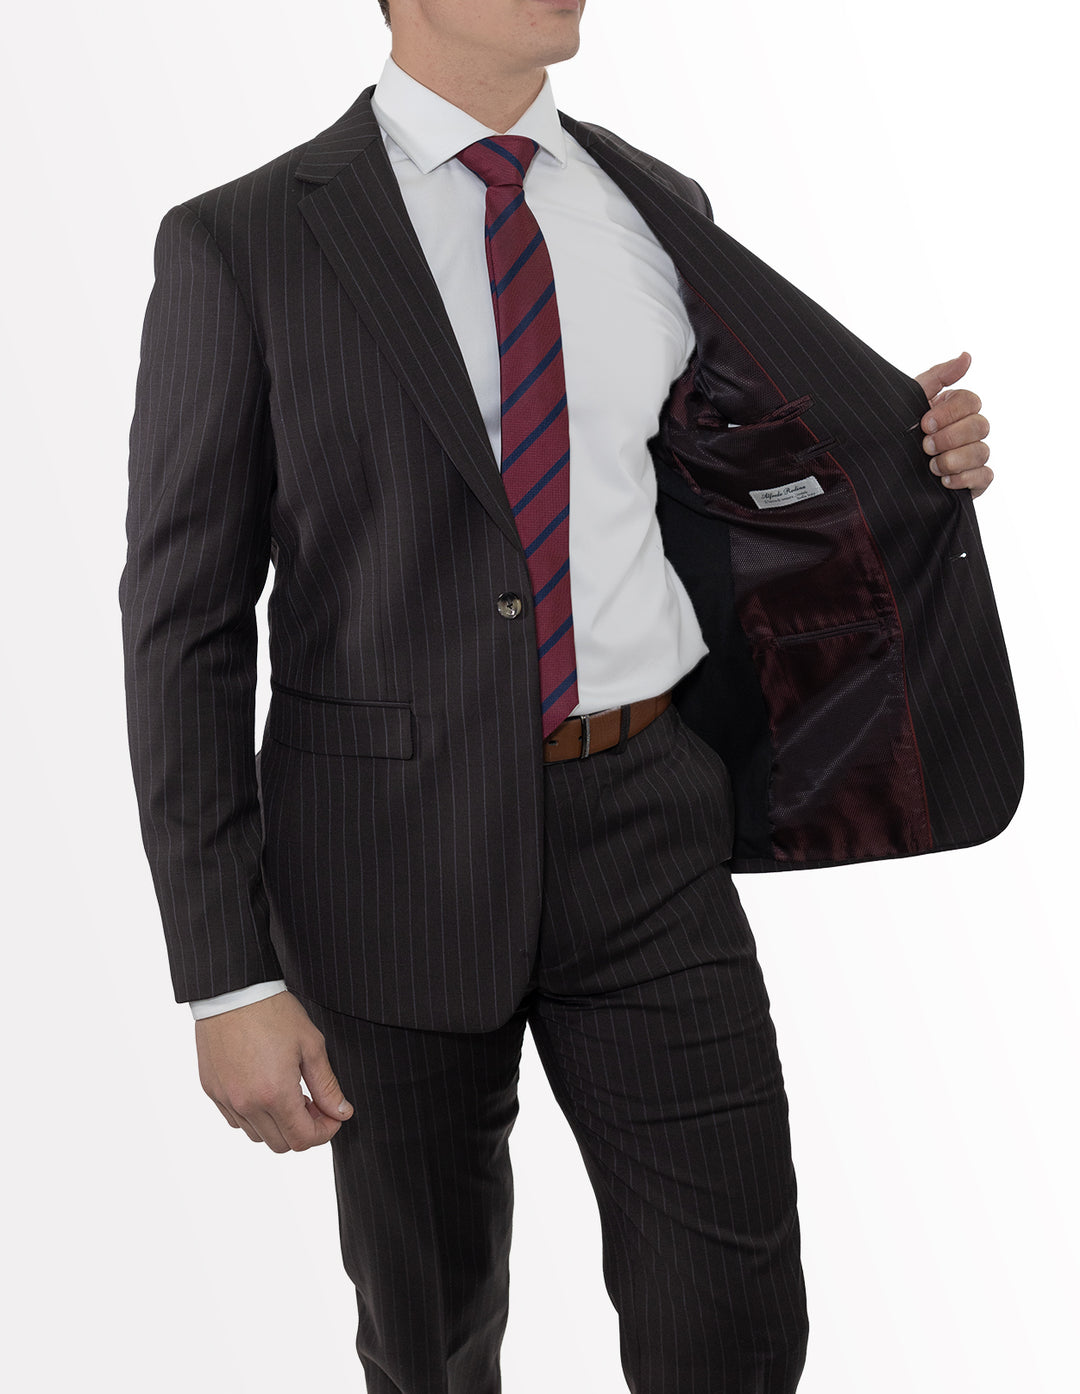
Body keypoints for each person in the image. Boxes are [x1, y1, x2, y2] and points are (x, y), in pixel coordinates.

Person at [118, 2, 1021, 1391]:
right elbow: (183, 623)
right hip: (386, 853)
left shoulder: (653, 205)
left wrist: (890, 446)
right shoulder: (244, 241)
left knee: (734, 1318)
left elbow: (704, 491)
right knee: (431, 1325)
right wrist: (225, 972)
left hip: (650, 817)